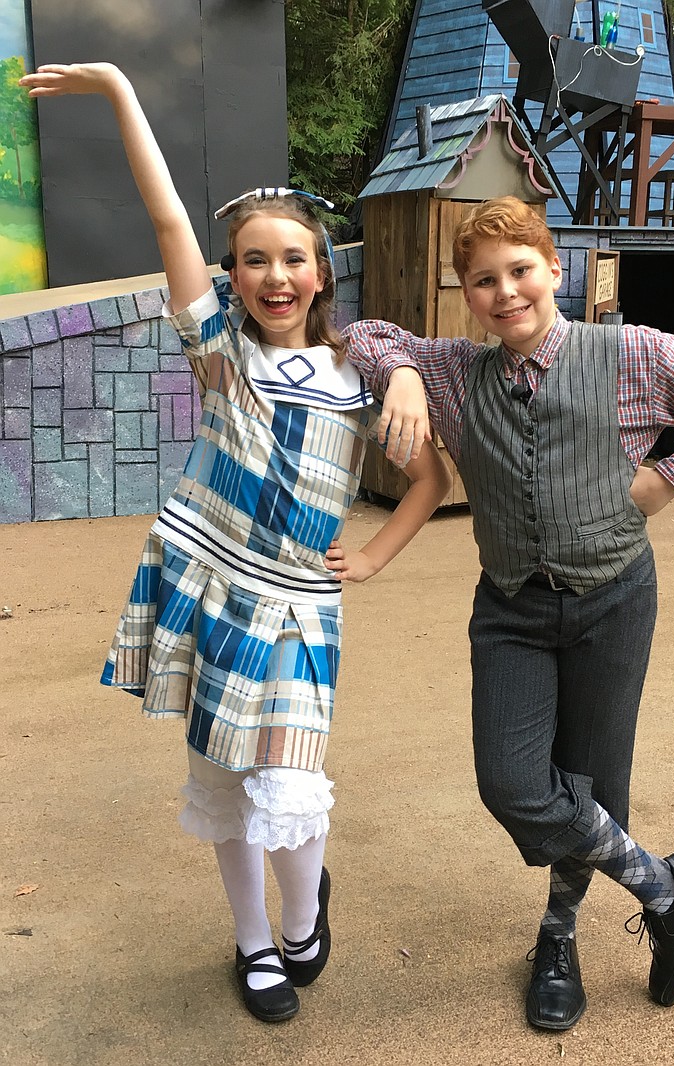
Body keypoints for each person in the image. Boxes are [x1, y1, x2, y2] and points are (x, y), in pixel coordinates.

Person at [19, 63, 451, 1025]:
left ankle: (302, 927)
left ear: (322, 271)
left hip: (300, 604)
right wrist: (123, 92)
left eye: (293, 258)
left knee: (289, 778)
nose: (274, 276)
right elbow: (169, 219)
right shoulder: (222, 356)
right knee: (220, 775)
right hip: (212, 586)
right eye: (253, 259)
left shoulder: (360, 370)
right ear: (233, 275)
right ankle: (254, 945)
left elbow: (429, 479)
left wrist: (375, 555)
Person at [343, 196, 674, 1030]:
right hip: (511, 609)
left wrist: (667, 479)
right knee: (511, 781)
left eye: (521, 271)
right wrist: (398, 370)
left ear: (555, 269)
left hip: (615, 599)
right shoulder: (454, 374)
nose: (505, 293)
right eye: (482, 281)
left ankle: (559, 932)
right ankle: (663, 886)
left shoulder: (630, 354)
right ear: (465, 293)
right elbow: (360, 334)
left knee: (596, 782)